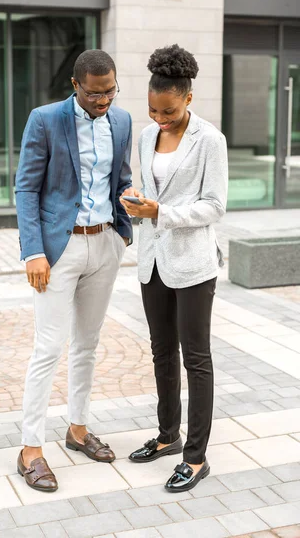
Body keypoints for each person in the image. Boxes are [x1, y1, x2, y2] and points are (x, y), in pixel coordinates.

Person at [15, 49, 133, 492]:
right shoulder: (45, 120)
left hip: (104, 243)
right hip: (57, 250)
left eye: (110, 92)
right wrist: (33, 253)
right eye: (95, 93)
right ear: (75, 85)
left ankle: (78, 428)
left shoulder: (120, 122)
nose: (103, 101)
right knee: (48, 347)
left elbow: (119, 180)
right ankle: (30, 449)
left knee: (88, 343)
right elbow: (26, 186)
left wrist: (124, 230)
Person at [121, 44, 228, 493]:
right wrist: (136, 202)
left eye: (167, 110)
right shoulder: (147, 137)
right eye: (152, 110)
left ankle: (197, 457)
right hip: (153, 261)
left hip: (193, 264)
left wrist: (160, 212)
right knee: (161, 352)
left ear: (187, 98)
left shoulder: (211, 141)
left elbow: (214, 207)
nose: (159, 118)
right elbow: (149, 188)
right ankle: (168, 436)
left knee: (195, 359)